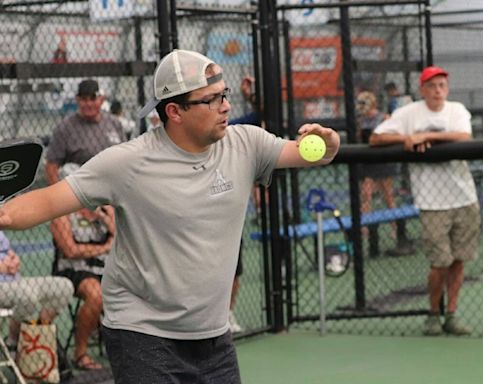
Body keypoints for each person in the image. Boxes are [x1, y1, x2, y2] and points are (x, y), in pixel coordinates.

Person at [0, 49, 340, 383]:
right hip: (143, 334)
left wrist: (328, 142)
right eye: (211, 99)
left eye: (225, 94)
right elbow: (46, 201)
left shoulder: (246, 144)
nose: (226, 106)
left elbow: (311, 153)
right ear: (175, 111)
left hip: (213, 337)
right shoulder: (127, 163)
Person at [370, 66, 480, 336]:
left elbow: (463, 136)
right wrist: (407, 138)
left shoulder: (457, 110)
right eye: (432, 86)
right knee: (439, 262)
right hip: (432, 202)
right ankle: (433, 313)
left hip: (464, 197)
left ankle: (451, 313)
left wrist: (426, 136)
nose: (438, 90)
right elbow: (375, 138)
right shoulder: (409, 113)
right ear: (422, 89)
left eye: (442, 85)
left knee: (458, 261)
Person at [51, 164, 116, 370]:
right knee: (96, 294)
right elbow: (70, 250)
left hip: (105, 269)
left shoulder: (103, 210)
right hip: (72, 270)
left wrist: (108, 221)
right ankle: (80, 353)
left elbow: (123, 239)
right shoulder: (61, 215)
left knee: (137, 287)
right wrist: (105, 247)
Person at [0, 230, 73, 348]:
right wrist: (2, 266)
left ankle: (39, 332)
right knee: (27, 296)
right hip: (3, 286)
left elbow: (7, 251)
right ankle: (14, 341)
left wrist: (14, 259)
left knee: (63, 287)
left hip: (16, 281)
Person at [45, 79, 126, 185]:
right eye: (84, 99)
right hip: (81, 188)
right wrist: (61, 197)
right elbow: (51, 167)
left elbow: (126, 158)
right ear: (77, 100)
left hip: (113, 183)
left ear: (101, 100)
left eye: (93, 98)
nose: (88, 104)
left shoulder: (114, 123)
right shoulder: (65, 127)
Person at [356, 91, 397, 239]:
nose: (360, 107)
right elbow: (360, 139)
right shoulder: (361, 120)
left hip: (382, 160)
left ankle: (396, 228)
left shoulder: (383, 117)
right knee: (366, 194)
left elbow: (392, 135)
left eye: (363, 103)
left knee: (387, 195)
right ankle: (364, 230)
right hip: (368, 161)